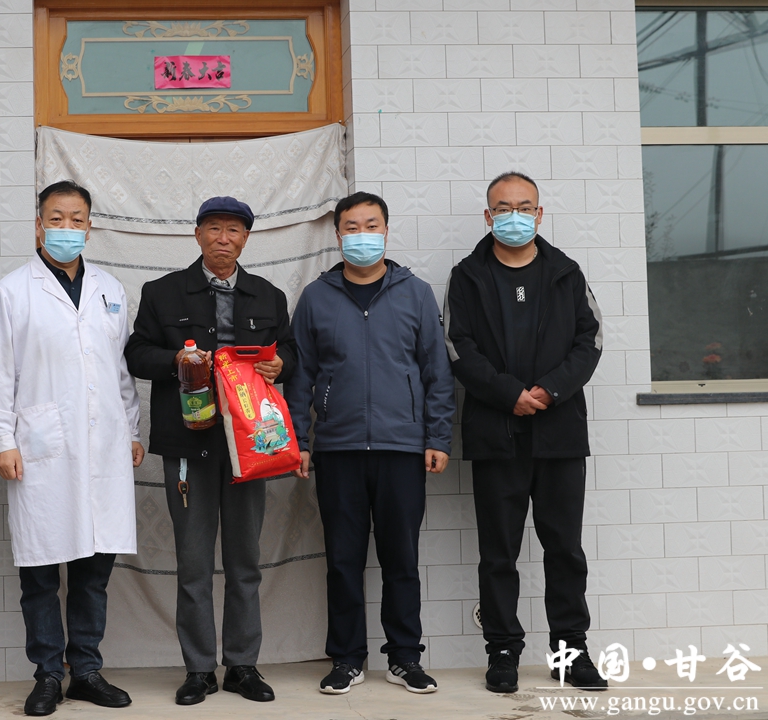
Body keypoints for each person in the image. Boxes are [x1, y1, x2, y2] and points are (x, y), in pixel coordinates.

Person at [0, 180, 144, 717]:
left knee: (95, 572)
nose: (66, 228)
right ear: (38, 225)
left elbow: (119, 371)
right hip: (39, 449)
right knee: (41, 573)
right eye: (56, 218)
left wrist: (132, 429)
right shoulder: (11, 292)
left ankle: (86, 671)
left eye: (76, 219)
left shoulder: (110, 289)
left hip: (105, 446)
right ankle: (48, 673)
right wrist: (2, 439)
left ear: (90, 227)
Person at [124, 196, 296, 706]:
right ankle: (199, 669)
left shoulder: (268, 296)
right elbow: (135, 353)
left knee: (245, 561)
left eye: (234, 230)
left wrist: (281, 364)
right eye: (214, 229)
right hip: (187, 444)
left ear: (246, 238)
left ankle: (242, 665)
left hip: (252, 445)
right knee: (194, 562)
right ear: (197, 234)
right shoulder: (162, 292)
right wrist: (176, 360)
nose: (224, 238)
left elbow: (290, 352)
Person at [285, 191, 454, 696]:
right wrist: (300, 441)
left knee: (402, 559)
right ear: (338, 235)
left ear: (386, 230)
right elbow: (300, 376)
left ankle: (405, 658)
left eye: (371, 225)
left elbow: (437, 372)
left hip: (403, 448)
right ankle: (347, 659)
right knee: (342, 560)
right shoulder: (315, 297)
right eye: (352, 227)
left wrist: (437, 436)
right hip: (337, 449)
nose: (362, 235)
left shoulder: (415, 293)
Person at [444, 171, 606, 693]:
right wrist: (507, 393)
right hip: (496, 434)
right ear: (487, 216)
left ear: (539, 214)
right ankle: (502, 651)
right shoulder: (467, 276)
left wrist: (551, 390)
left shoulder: (566, 272)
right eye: (502, 207)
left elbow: (590, 340)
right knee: (499, 553)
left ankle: (570, 652)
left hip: (560, 435)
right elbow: (457, 346)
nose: (513, 216)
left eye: (524, 207)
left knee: (565, 550)